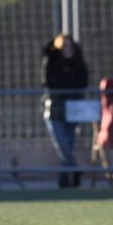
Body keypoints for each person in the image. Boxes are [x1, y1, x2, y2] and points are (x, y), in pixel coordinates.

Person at [41, 33, 89, 189]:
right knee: (62, 144)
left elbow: (83, 81)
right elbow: (48, 82)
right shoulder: (51, 62)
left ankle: (65, 179)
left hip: (74, 106)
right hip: (55, 107)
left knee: (69, 142)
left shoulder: (79, 62)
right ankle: (75, 170)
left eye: (70, 45)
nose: (68, 48)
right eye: (64, 45)